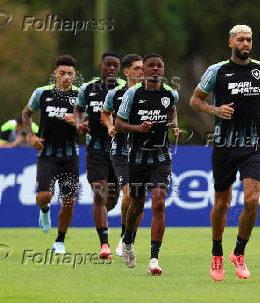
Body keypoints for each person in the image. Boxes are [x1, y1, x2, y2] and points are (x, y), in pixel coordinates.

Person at [189, 25, 260, 281]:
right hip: (225, 146)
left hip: (254, 145)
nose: (246, 43)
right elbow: (195, 101)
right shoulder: (217, 71)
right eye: (241, 39)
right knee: (222, 204)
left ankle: (239, 252)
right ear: (231, 43)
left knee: (251, 199)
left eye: (249, 39)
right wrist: (215, 111)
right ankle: (217, 253)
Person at [115, 53, 181, 275]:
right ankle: (128, 241)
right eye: (150, 66)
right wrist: (137, 128)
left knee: (160, 202)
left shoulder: (170, 94)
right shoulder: (133, 94)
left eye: (159, 66)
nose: (155, 69)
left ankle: (154, 258)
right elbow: (119, 123)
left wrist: (174, 127)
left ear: (163, 70)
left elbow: (172, 109)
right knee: (136, 206)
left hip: (161, 158)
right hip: (136, 159)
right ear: (143, 71)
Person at [22, 54, 80, 254]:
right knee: (44, 196)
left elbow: (92, 124)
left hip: (70, 155)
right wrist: (30, 136)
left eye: (70, 74)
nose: (66, 77)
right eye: (62, 73)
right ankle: (45, 211)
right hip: (46, 154)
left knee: (69, 200)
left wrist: (79, 122)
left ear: (74, 76)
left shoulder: (80, 95)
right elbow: (26, 113)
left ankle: (60, 241)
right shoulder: (42, 93)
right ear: (55, 73)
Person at [74, 52, 126, 259]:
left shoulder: (126, 89)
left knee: (111, 200)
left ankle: (120, 237)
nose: (112, 69)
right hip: (95, 149)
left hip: (119, 150)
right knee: (99, 193)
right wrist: (79, 124)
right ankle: (104, 245)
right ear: (101, 66)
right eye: (108, 65)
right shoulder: (87, 89)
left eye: (116, 65)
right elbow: (78, 109)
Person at [101, 54, 145, 257]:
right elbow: (105, 112)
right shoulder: (115, 94)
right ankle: (123, 237)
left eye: (143, 68)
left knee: (139, 199)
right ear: (126, 71)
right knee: (128, 194)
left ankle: (129, 240)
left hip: (144, 152)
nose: (141, 71)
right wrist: (110, 126)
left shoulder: (152, 94)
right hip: (120, 152)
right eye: (137, 68)